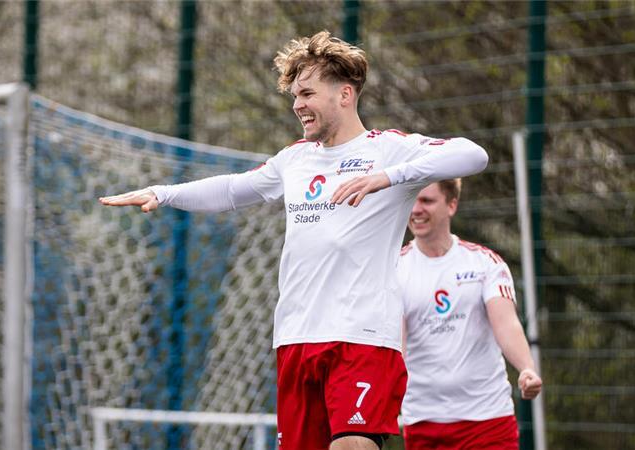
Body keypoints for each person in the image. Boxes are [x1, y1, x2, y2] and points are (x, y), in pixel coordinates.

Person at [100, 31, 489, 450]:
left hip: (361, 335)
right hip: (296, 336)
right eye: (293, 95)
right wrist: (164, 193)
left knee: (352, 444)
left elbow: (473, 154)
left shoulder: (390, 150)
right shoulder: (295, 159)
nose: (297, 105)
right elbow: (233, 190)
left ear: (344, 94)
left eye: (306, 93)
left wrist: (386, 178)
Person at [397, 178, 543, 450]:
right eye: (411, 201)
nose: (416, 210)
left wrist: (526, 368)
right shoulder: (394, 270)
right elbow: (396, 348)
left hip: (488, 420)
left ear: (451, 205)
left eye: (427, 201)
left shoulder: (484, 263)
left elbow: (507, 325)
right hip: (424, 422)